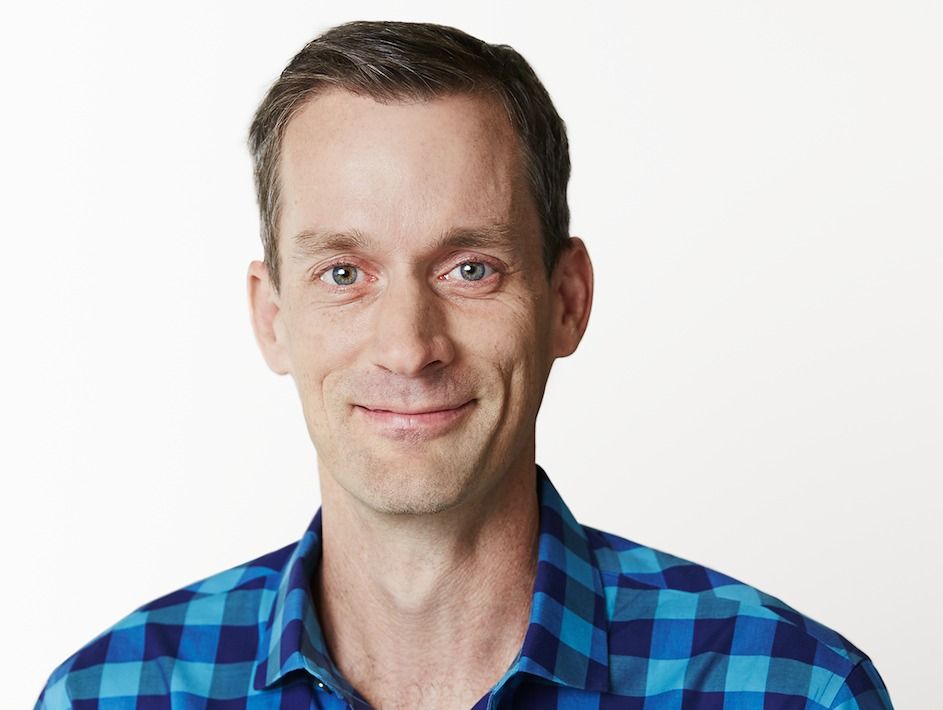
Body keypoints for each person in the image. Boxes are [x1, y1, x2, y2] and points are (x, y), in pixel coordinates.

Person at [36, 20, 892, 710]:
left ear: (566, 300)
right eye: (344, 274)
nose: (409, 347)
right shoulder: (116, 694)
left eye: (470, 269)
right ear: (272, 318)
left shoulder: (792, 691)